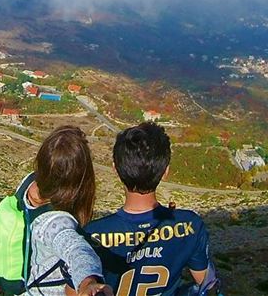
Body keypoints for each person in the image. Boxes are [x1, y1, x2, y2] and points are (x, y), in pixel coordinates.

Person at [85, 123, 220, 296]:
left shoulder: (93, 234)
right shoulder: (190, 225)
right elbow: (207, 283)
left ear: (116, 169)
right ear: (165, 172)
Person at [20, 125, 113, 296]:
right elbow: (76, 250)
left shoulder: (28, 185)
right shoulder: (56, 223)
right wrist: (88, 283)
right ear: (80, 182)